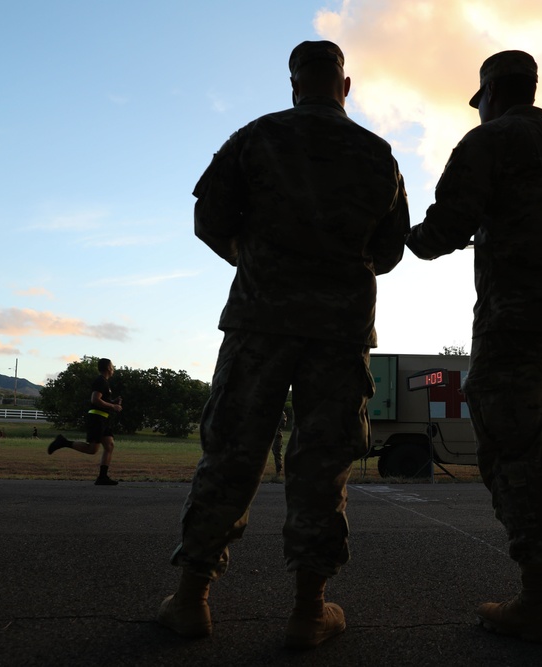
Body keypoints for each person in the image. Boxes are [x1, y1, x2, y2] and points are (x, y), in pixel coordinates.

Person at [157, 40, 409, 650]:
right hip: (340, 331)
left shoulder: (256, 137)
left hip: (259, 323)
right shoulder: (378, 155)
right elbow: (393, 248)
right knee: (324, 464)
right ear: (345, 86)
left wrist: (258, 265)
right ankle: (307, 610)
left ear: (294, 83)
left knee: (231, 453)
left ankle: (192, 600)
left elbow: (208, 220)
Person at [405, 50, 542, 643]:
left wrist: (410, 240)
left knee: (513, 449)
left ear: (492, 94)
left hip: (511, 321)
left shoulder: (488, 143)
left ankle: (536, 594)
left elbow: (446, 228)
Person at [47, 358, 122, 486]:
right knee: (92, 449)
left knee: (109, 445)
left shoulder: (104, 382)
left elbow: (102, 401)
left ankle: (102, 477)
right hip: (97, 418)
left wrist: (113, 402)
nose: (113, 368)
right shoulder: (101, 381)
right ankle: (63, 442)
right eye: (112, 366)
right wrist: (112, 406)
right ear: (108, 368)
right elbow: (95, 400)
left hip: (103, 419)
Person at [271, 411, 287, 476]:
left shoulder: (281, 413)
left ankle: (278, 472)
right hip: (275, 434)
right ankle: (278, 472)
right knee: (276, 453)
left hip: (276, 434)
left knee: (277, 453)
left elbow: (283, 424)